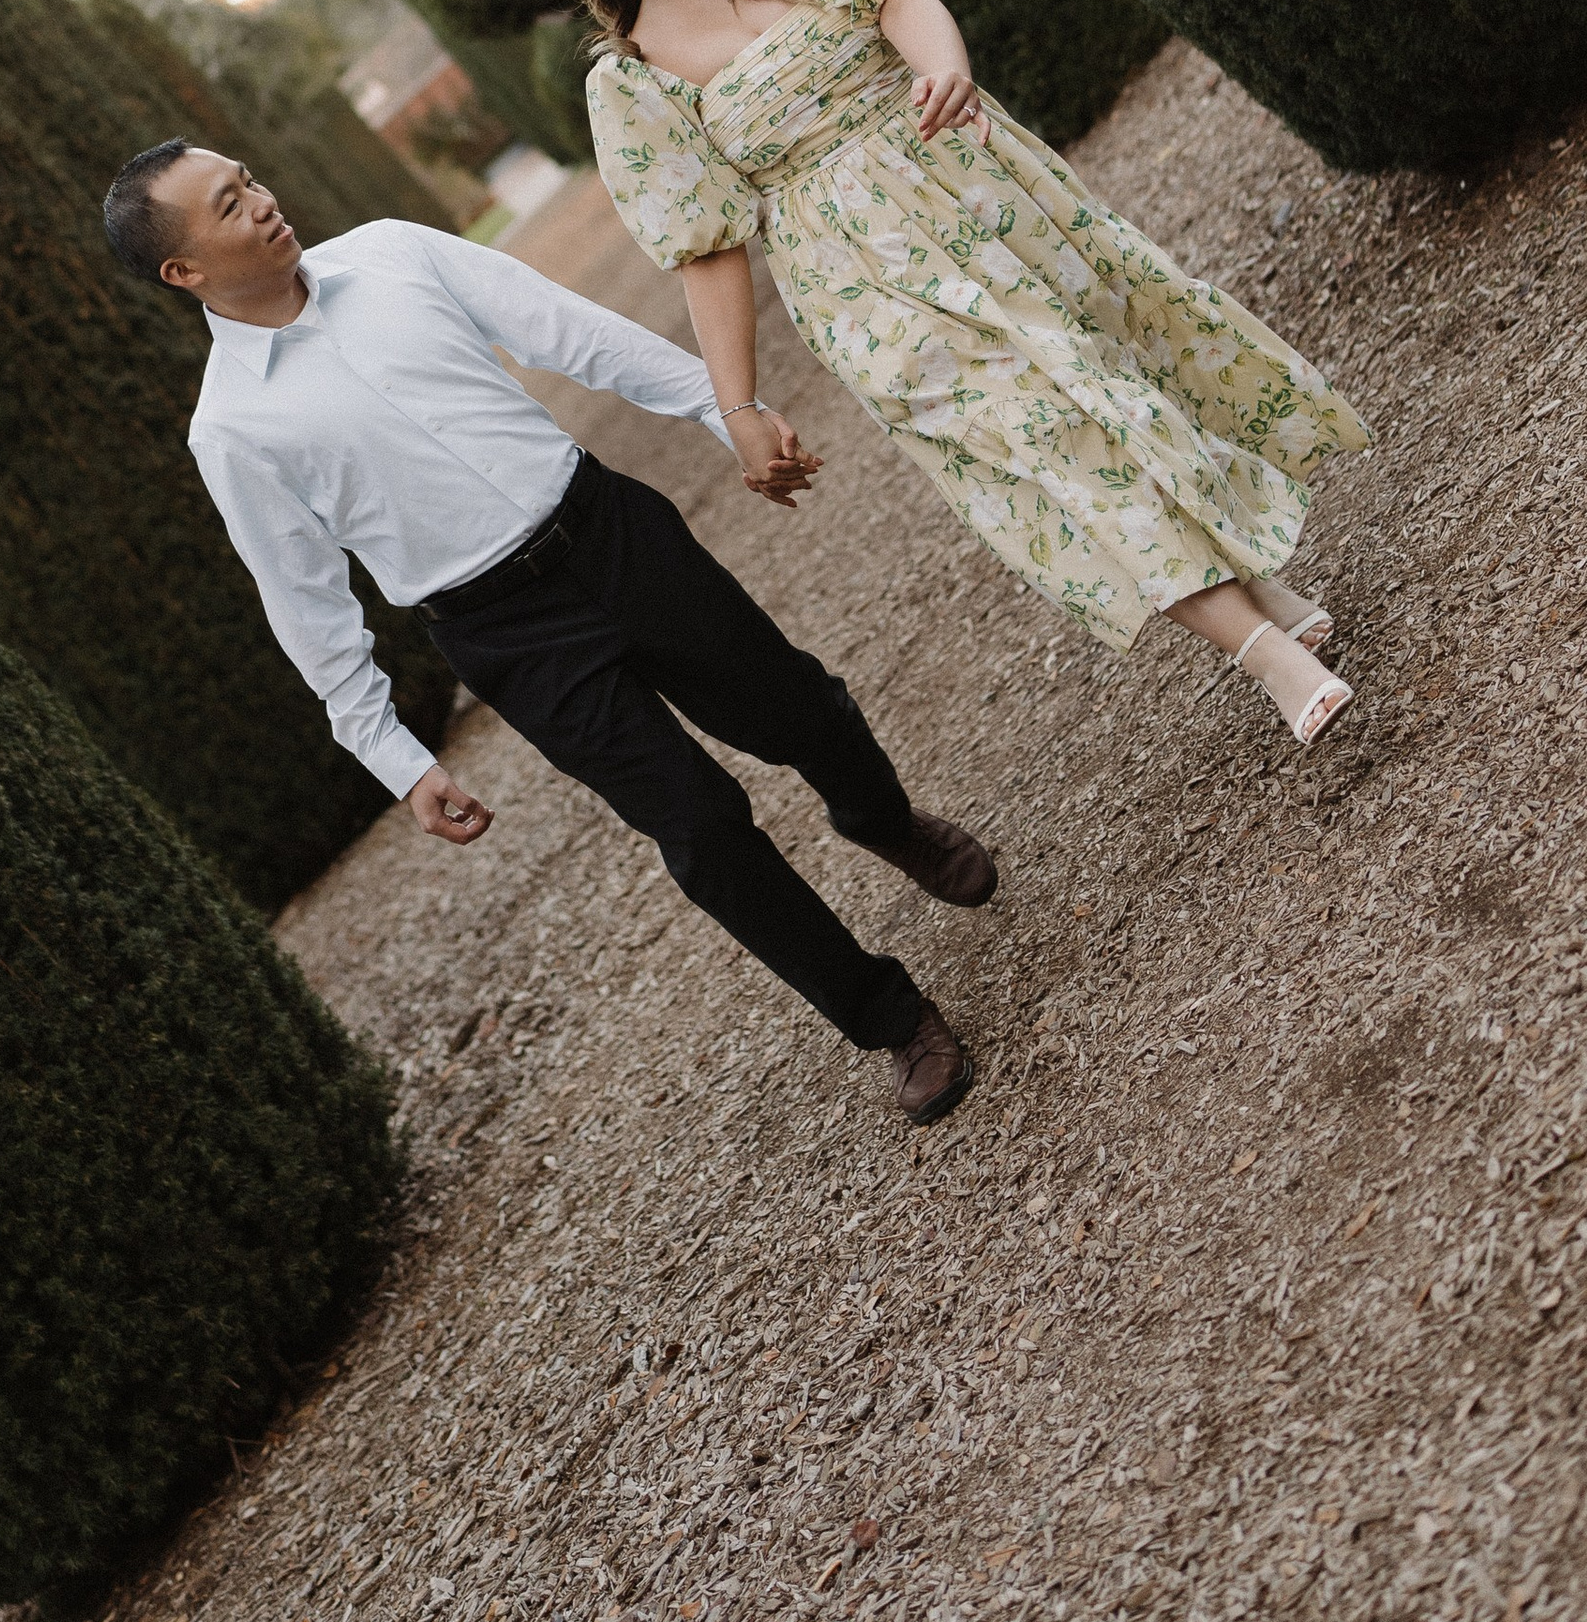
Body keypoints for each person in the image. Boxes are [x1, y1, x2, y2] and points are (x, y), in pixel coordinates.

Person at [103, 140, 996, 1126]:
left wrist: (721, 406)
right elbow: (303, 602)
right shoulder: (231, 429)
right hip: (505, 633)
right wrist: (394, 758)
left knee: (797, 710)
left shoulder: (395, 253)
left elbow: (575, 335)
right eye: (229, 205)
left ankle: (882, 820)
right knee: (698, 827)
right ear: (181, 271)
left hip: (609, 533)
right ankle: (888, 1017)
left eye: (251, 179)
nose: (263, 202)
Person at [519, 0, 1370, 745]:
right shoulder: (631, 78)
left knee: (1108, 383)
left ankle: (1254, 589)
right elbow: (706, 248)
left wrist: (943, 66)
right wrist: (740, 406)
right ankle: (1267, 655)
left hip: (974, 190)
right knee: (1041, 444)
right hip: (857, 288)